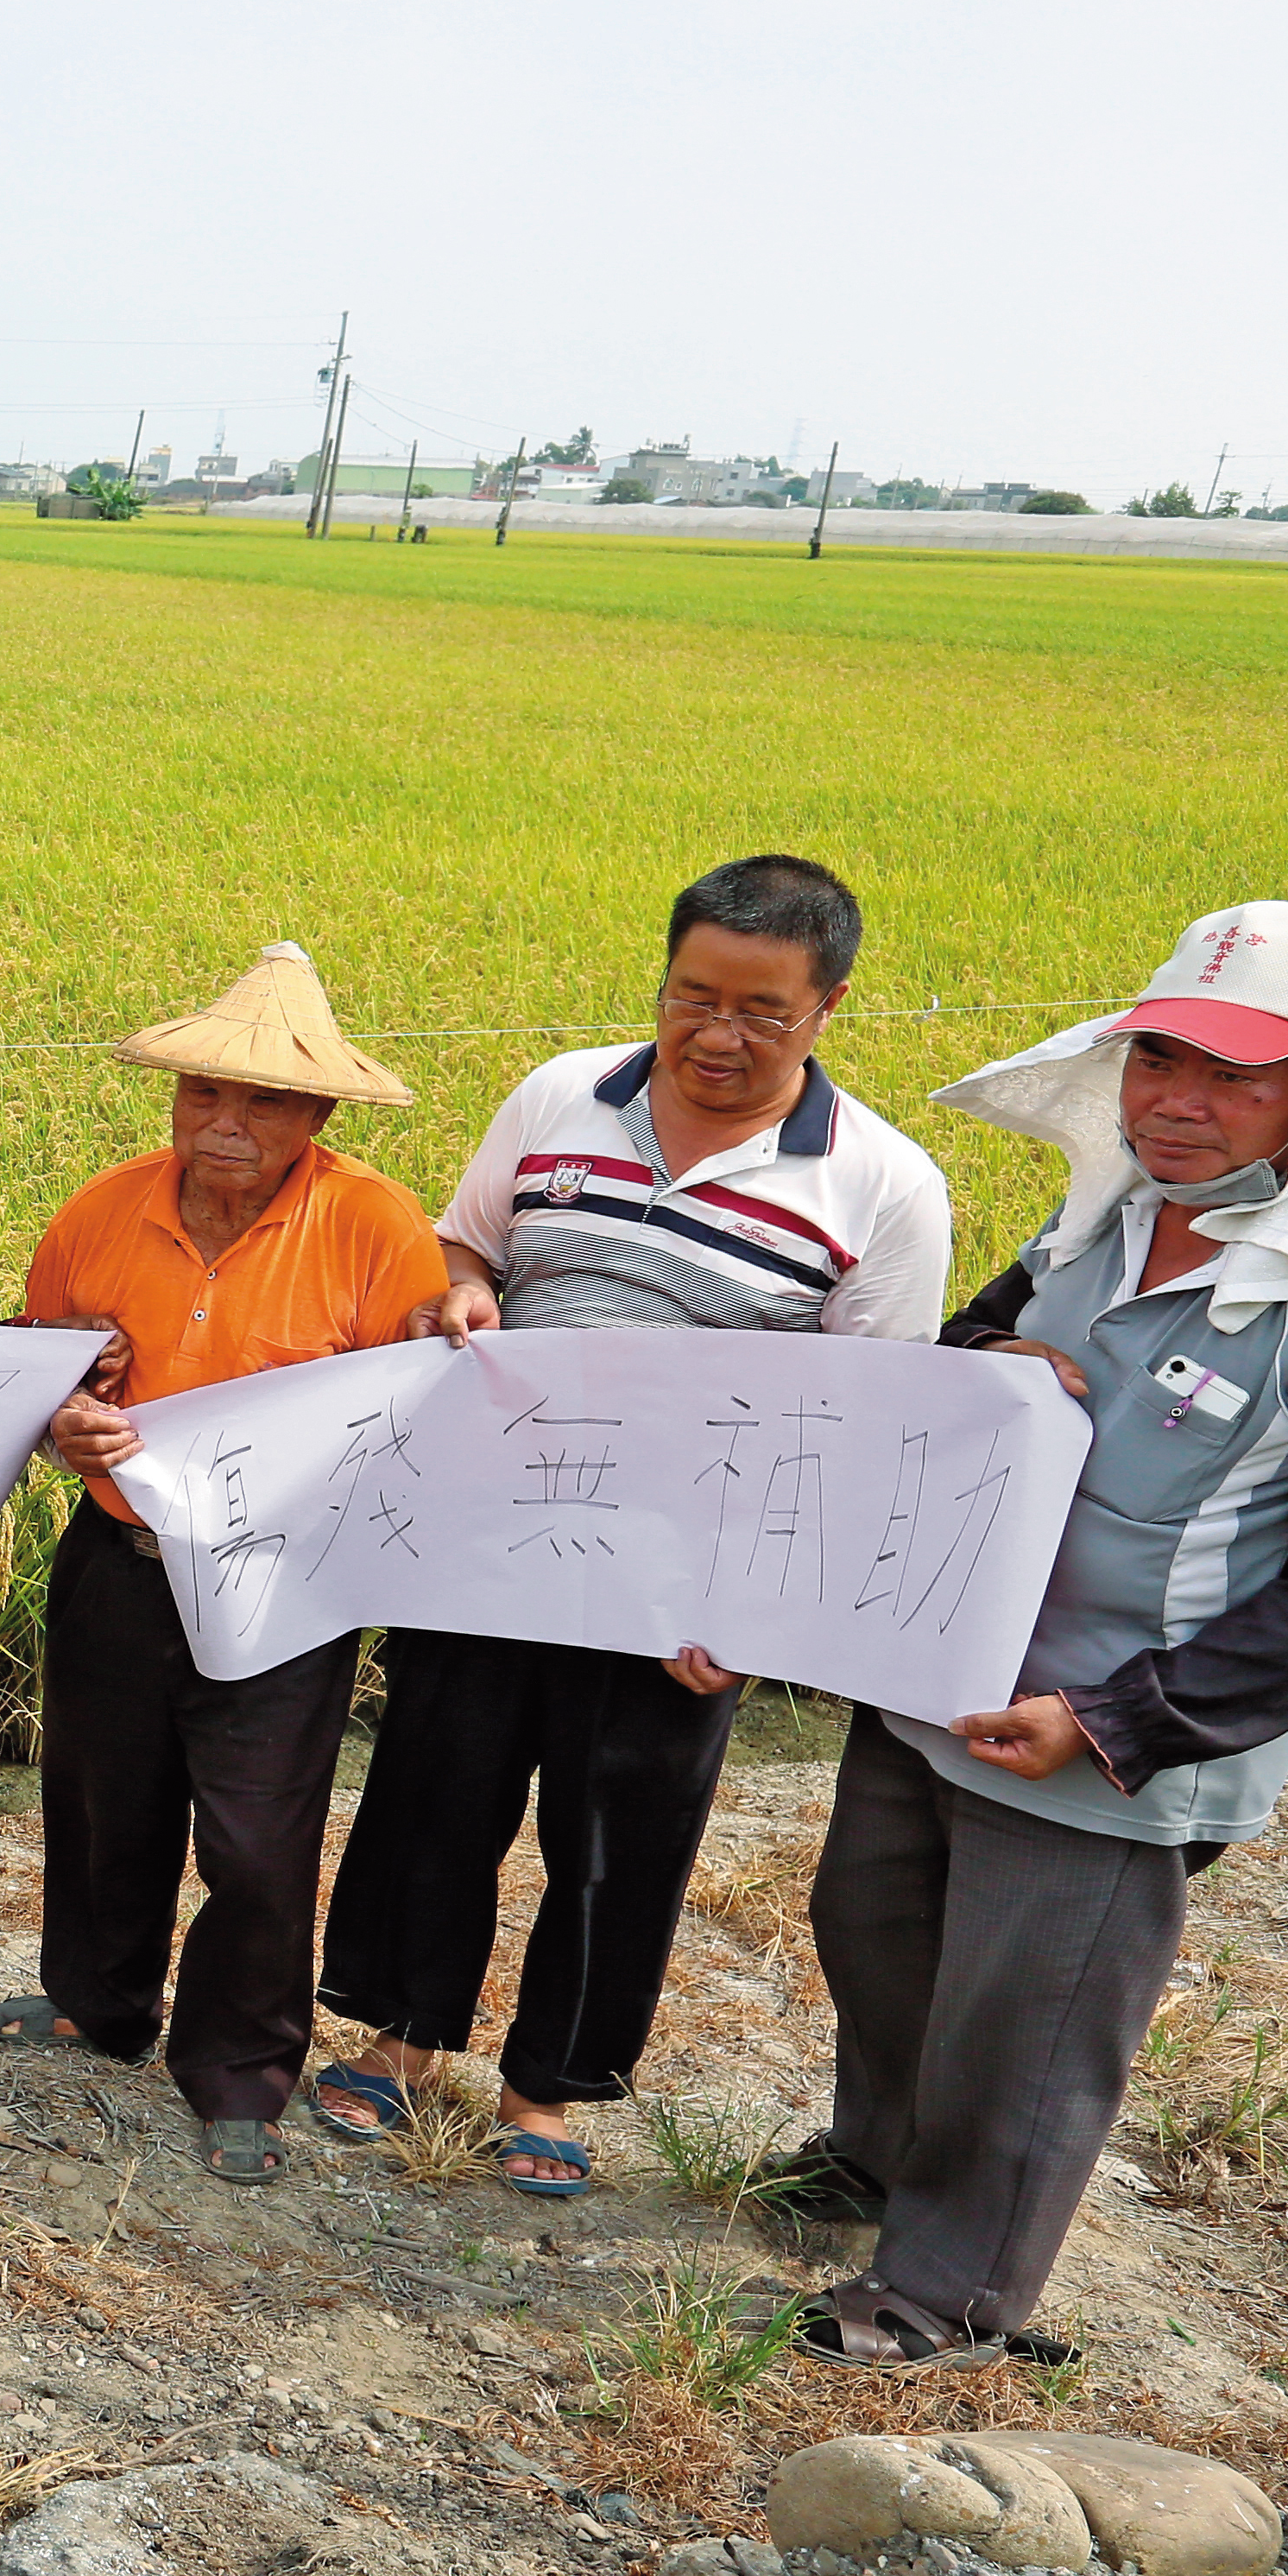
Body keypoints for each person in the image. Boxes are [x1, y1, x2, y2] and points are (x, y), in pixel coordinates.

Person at [782, 905, 1288, 2365]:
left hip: (1110, 1733)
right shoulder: (1110, 1204)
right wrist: (994, 1357)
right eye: (1159, 1058)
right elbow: (969, 1347)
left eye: (1236, 1076)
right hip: (947, 1660)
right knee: (877, 1935)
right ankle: (874, 2162)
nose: (1179, 1101)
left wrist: (1122, 1722)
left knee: (1022, 2023)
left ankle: (947, 2295)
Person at [307, 854, 951, 2195]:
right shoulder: (558, 1097)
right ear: (663, 982)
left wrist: (763, 1612)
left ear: (829, 1005)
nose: (718, 1036)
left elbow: (867, 1420)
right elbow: (467, 1245)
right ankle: (402, 2041)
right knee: (437, 1789)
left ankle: (549, 2089)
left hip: (683, 1580)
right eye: (693, 997)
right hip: (495, 1529)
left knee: (621, 1834)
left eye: (762, 1012)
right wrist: (467, 1294)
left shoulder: (881, 1185)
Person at [0, 946, 452, 2179]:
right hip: (118, 1553)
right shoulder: (104, 1207)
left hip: (282, 1577)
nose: (227, 1123)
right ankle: (100, 2001)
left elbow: (410, 1421)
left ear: (320, 1113)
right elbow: (41, 1375)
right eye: (205, 1094)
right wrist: (63, 1420)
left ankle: (241, 2066)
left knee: (257, 1837)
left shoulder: (373, 1226)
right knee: (103, 1798)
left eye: (263, 1101)